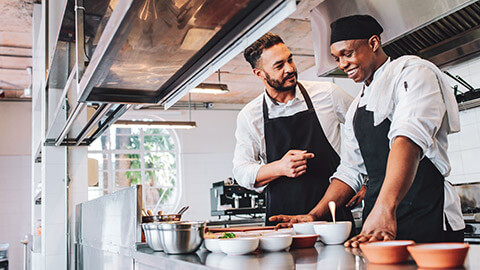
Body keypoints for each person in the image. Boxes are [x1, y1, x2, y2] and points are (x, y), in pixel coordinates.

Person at [270, 15, 465, 246]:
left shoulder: (413, 73)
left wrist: (385, 208)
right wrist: (314, 215)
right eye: (336, 58)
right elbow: (350, 171)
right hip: (378, 224)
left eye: (347, 54)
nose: (342, 65)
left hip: (426, 213)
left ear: (373, 43)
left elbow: (408, 140)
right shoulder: (356, 107)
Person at [232, 32, 355, 226]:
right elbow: (241, 172)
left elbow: (367, 130)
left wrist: (368, 182)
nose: (290, 69)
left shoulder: (328, 94)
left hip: (332, 218)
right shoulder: (250, 115)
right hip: (282, 224)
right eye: (279, 66)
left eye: (290, 60)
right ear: (259, 74)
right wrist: (280, 167)